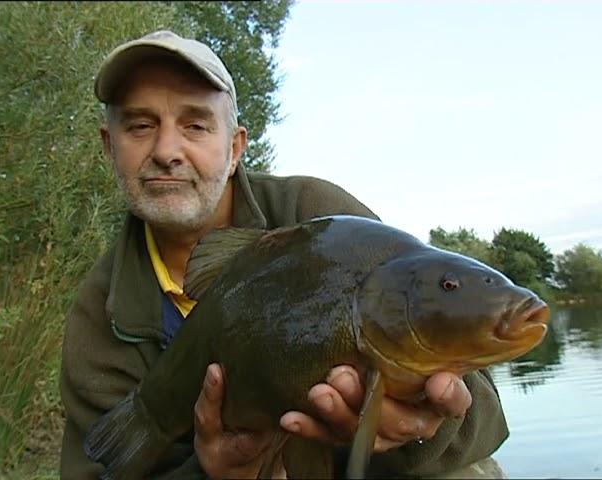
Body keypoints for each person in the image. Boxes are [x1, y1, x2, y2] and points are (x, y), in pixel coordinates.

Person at [59, 30, 509, 479]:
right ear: (108, 145)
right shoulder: (98, 313)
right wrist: (213, 474)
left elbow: (488, 421)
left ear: (235, 148)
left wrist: (414, 429)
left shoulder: (318, 215)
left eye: (195, 125)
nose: (167, 152)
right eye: (140, 125)